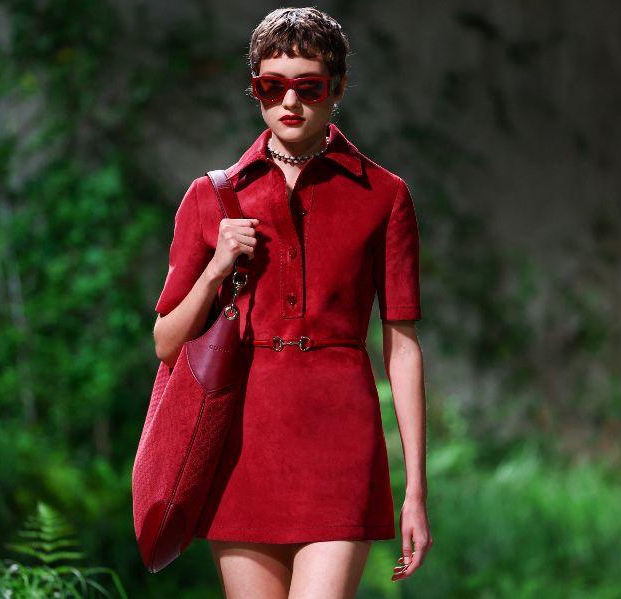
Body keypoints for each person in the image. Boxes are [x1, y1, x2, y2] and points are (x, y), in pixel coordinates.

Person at [152, 7, 432, 598]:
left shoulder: (384, 196)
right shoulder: (212, 195)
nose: (289, 103)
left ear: (337, 90)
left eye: (309, 87)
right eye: (271, 87)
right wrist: (215, 270)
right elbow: (166, 341)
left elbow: (402, 348)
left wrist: (415, 490)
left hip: (341, 442)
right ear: (254, 87)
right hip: (242, 446)